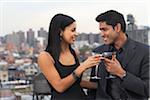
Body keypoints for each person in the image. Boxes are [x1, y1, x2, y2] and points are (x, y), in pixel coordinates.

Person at [38, 14, 101, 100]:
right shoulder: (45, 57)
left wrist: (102, 86)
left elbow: (75, 82)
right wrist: (83, 67)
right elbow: (59, 87)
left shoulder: (74, 53)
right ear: (60, 32)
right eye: (72, 30)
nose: (76, 34)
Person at [92, 10, 149, 100]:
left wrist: (121, 73)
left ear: (118, 28)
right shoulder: (98, 51)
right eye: (100, 30)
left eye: (105, 29)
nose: (102, 34)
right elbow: (95, 86)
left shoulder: (145, 52)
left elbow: (147, 90)